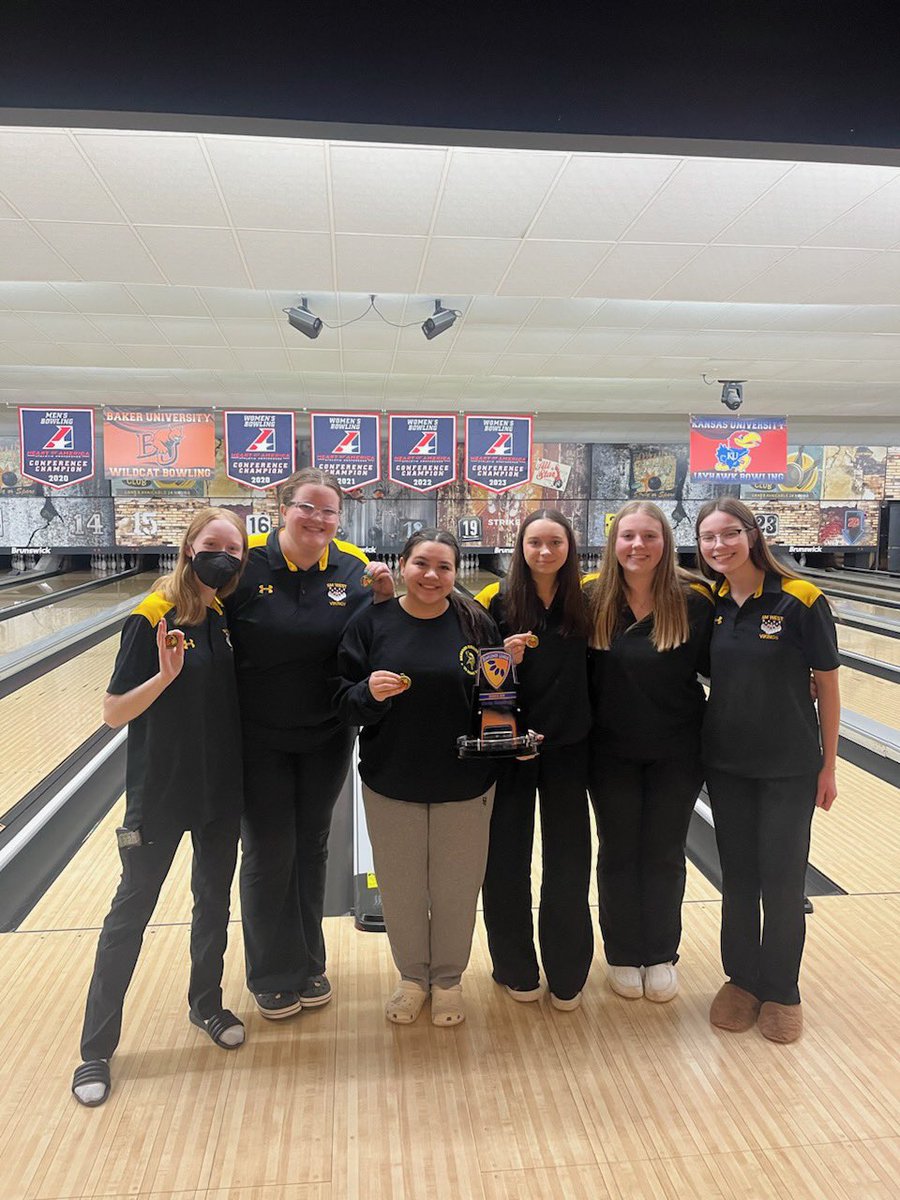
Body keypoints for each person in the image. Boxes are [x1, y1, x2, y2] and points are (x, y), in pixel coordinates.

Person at [71, 507, 249, 1107]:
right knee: (130, 914)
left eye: (235, 548)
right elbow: (114, 711)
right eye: (214, 543)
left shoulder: (221, 616)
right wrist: (164, 678)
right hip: (162, 791)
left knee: (212, 904)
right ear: (189, 545)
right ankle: (95, 1050)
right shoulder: (152, 615)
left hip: (218, 791)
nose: (224, 554)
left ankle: (206, 1004)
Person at [224, 468, 392, 1019]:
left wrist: (386, 598)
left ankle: (308, 963)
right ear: (282, 507)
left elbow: (373, 640)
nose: (318, 519)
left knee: (312, 846)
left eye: (328, 511)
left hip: (326, 735)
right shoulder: (244, 564)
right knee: (270, 850)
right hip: (257, 738)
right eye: (307, 508)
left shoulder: (351, 568)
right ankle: (272, 972)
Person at [335, 529, 499, 1027]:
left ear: (455, 572)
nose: (432, 576)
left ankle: (447, 981)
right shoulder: (372, 622)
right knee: (403, 888)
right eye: (421, 564)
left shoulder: (475, 622)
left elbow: (497, 697)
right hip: (392, 778)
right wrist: (368, 692)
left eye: (444, 567)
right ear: (402, 565)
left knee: (456, 887)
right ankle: (411, 978)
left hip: (465, 781)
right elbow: (341, 696)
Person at [696, 497, 840, 1044]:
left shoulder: (802, 599)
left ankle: (782, 990)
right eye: (708, 538)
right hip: (727, 762)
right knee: (738, 878)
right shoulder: (709, 602)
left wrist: (828, 765)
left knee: (781, 880)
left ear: (752, 535)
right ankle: (742, 980)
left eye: (729, 534)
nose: (719, 546)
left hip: (788, 765)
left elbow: (826, 683)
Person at [586, 501, 713, 1003]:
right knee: (618, 852)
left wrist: (796, 678)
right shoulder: (592, 599)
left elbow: (731, 662)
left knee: (663, 853)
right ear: (614, 543)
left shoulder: (694, 600)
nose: (638, 546)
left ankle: (660, 953)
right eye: (628, 537)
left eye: (650, 537)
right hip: (609, 751)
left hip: (676, 751)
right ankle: (621, 953)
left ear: (666, 543)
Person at [475, 509, 593, 1010]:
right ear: (519, 548)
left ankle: (568, 971)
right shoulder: (493, 601)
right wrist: (500, 660)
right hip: (510, 751)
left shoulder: (589, 602)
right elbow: (474, 680)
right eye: (534, 543)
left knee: (569, 862)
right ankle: (515, 966)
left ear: (569, 547)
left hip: (570, 747)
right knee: (506, 861)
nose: (545, 552)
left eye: (555, 543)